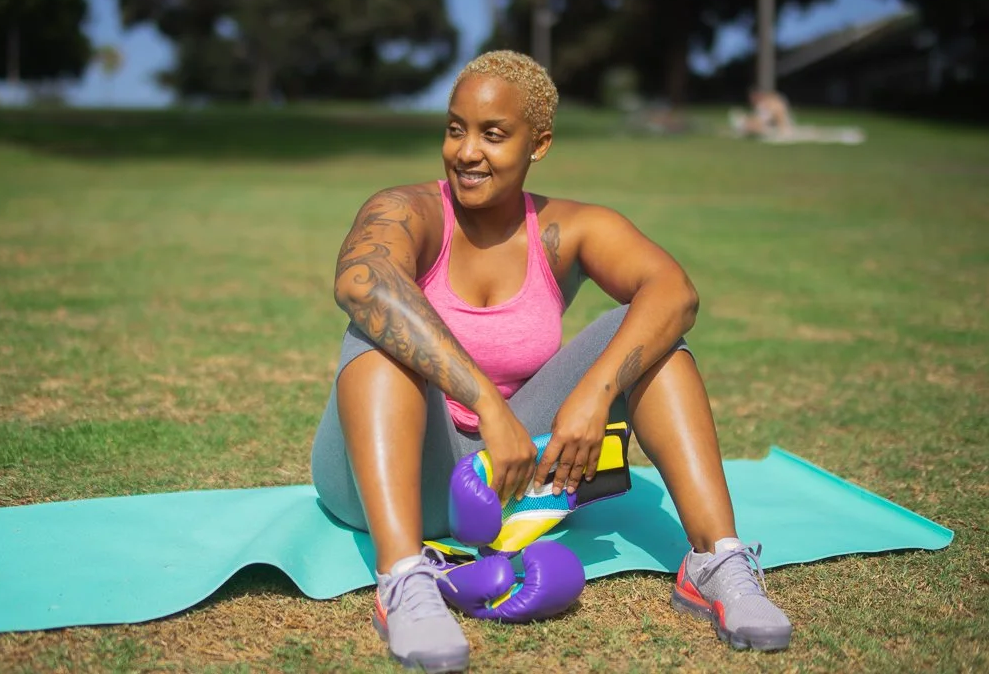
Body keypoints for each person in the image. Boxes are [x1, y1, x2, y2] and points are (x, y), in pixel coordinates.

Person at [312, 50, 792, 671]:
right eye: (455, 128)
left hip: (502, 480)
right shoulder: (410, 209)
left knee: (650, 337)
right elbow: (362, 281)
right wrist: (487, 402)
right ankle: (403, 579)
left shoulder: (568, 228)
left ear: (538, 145)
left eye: (492, 134)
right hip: (374, 475)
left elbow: (675, 291)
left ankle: (715, 560)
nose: (465, 152)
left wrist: (594, 393)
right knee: (379, 329)